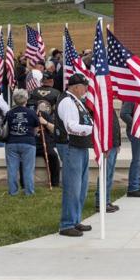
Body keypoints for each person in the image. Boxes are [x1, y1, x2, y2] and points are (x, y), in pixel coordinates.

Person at [56, 75, 94, 237]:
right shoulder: (67, 101)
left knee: (82, 186)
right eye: (84, 86)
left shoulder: (76, 101)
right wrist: (93, 130)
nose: (86, 89)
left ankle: (75, 219)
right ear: (75, 86)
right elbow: (70, 127)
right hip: (71, 146)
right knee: (72, 187)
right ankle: (67, 224)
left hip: (81, 146)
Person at [3, 89, 39, 197]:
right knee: (28, 169)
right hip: (28, 143)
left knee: (12, 169)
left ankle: (13, 192)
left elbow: (6, 127)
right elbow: (36, 128)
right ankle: (29, 192)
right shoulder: (31, 113)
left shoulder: (9, 113)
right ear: (26, 99)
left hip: (11, 143)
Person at [28, 77, 62, 188]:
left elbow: (53, 128)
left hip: (45, 141)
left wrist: (45, 123)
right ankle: (26, 183)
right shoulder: (27, 114)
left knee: (53, 156)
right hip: (31, 143)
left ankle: (54, 182)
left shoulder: (45, 115)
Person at [94, 97, 122, 212]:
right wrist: (104, 146)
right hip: (107, 145)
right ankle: (101, 202)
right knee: (105, 173)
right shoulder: (101, 106)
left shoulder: (109, 106)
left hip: (114, 144)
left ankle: (107, 200)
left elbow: (115, 126)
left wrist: (118, 143)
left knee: (109, 174)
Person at [119, 99, 140, 198]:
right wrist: (136, 125)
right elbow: (124, 114)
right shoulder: (132, 96)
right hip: (136, 132)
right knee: (137, 159)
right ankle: (133, 187)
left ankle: (138, 184)